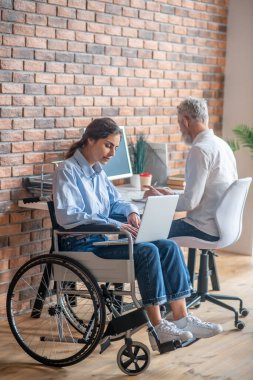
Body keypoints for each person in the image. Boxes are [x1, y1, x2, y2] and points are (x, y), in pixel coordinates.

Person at [53, 117, 223, 352]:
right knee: (147, 252)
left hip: (101, 241)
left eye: (115, 147)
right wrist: (115, 224)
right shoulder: (67, 171)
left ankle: (182, 317)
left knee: (167, 245)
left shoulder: (98, 173)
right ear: (90, 140)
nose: (112, 152)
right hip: (81, 247)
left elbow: (116, 202)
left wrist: (131, 212)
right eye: (108, 145)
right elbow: (67, 216)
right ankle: (158, 326)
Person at [144, 97, 238, 241]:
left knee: (148, 232)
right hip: (225, 226)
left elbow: (190, 203)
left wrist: (161, 199)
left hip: (203, 227)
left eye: (179, 123)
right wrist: (170, 194)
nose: (180, 129)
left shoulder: (200, 150)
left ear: (186, 121)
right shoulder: (222, 145)